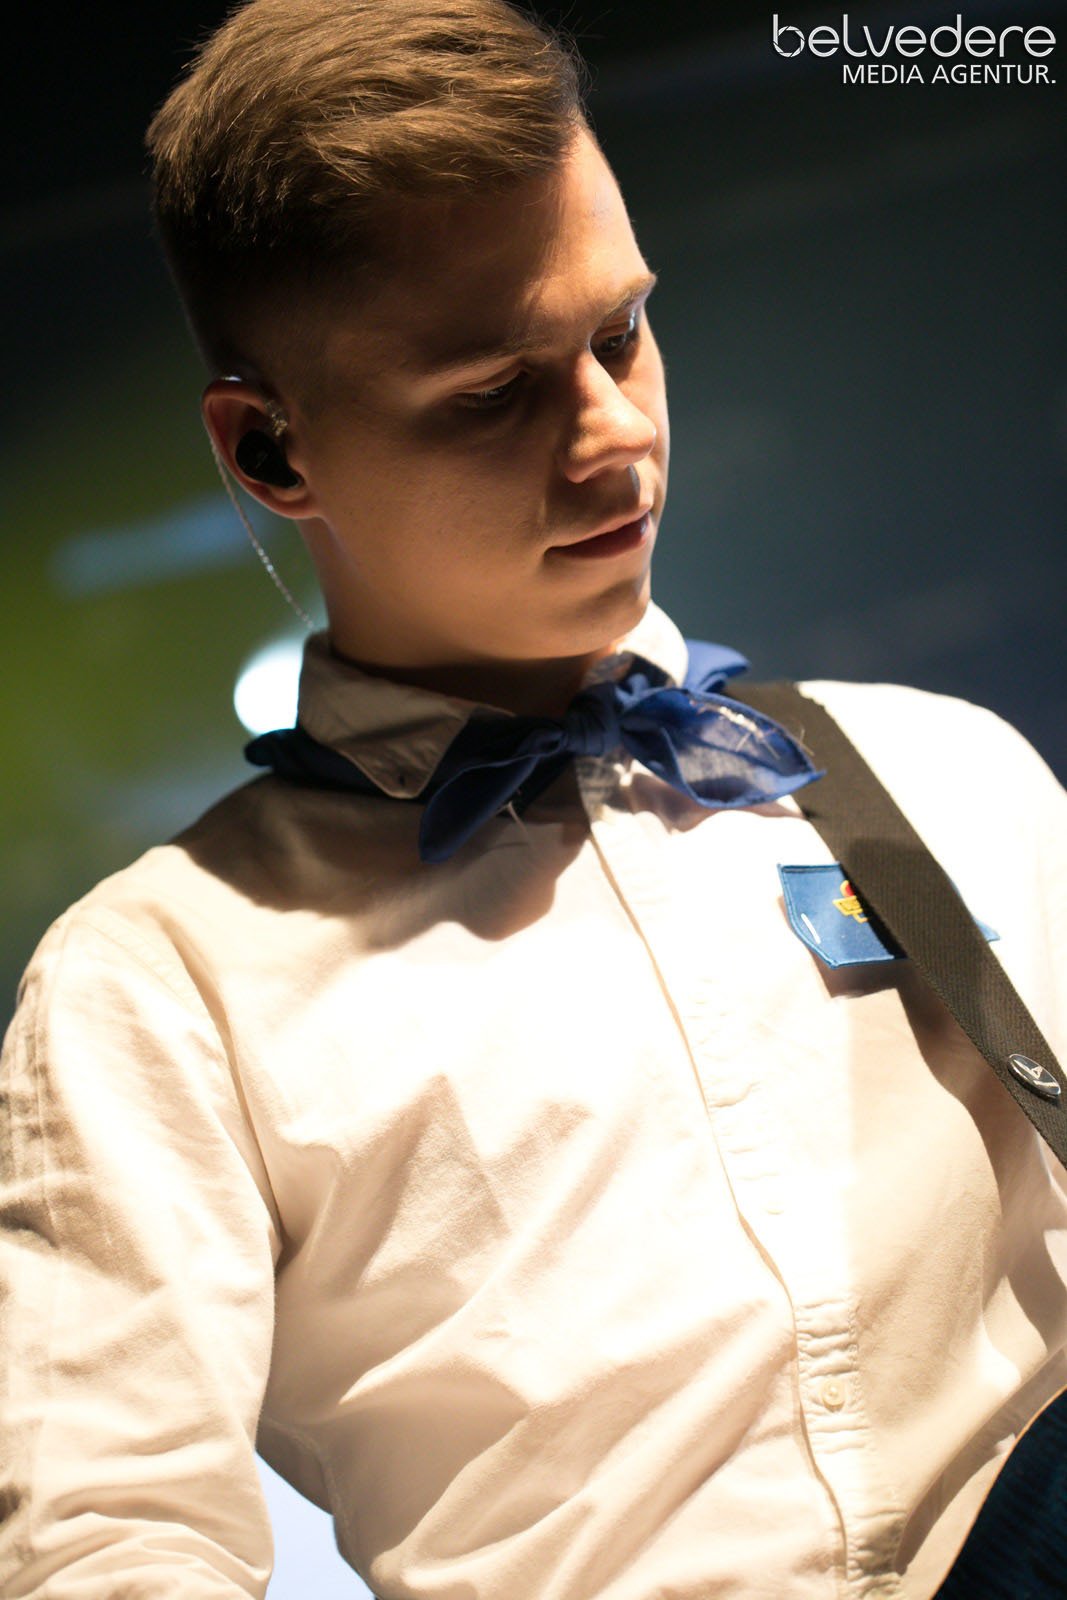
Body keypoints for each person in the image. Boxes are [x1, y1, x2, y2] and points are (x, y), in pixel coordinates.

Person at [2, 1, 1065, 1596]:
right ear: (270, 448)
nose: (614, 433)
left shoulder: (937, 769)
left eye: (620, 332)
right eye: (494, 391)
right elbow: (104, 1543)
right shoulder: (160, 989)